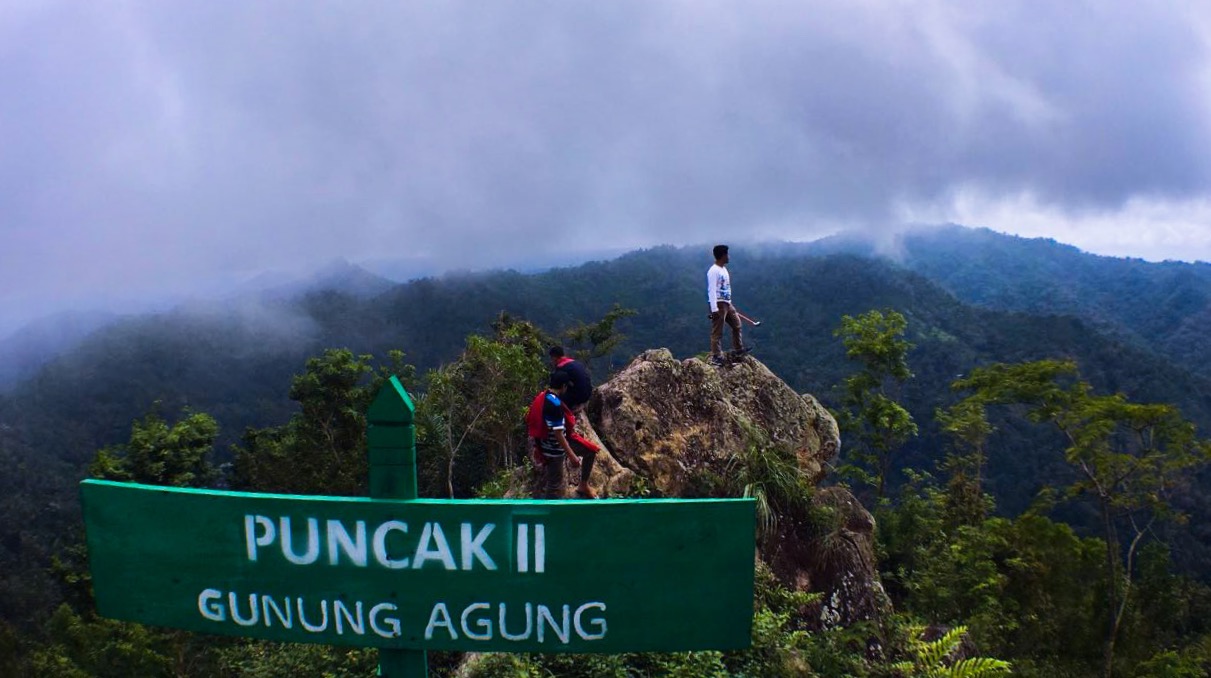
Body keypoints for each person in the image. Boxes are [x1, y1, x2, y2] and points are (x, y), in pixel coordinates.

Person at [525, 371, 600, 499]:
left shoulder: (546, 396)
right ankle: (551, 515)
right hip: (554, 449)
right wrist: (572, 456)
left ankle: (583, 485)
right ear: (564, 386)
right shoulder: (555, 405)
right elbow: (558, 434)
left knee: (589, 451)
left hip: (551, 443)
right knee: (554, 485)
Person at [548, 346, 597, 497]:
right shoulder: (574, 362)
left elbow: (558, 433)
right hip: (587, 395)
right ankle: (584, 485)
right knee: (590, 451)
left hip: (556, 444)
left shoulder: (560, 370)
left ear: (554, 357)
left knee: (554, 484)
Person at [707, 244, 744, 365]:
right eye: (727, 254)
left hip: (727, 303)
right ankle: (716, 356)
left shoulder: (723, 269)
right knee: (717, 331)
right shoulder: (713, 271)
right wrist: (714, 308)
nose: (729, 257)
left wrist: (729, 302)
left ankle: (738, 350)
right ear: (722, 256)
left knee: (737, 325)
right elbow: (711, 290)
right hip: (718, 303)